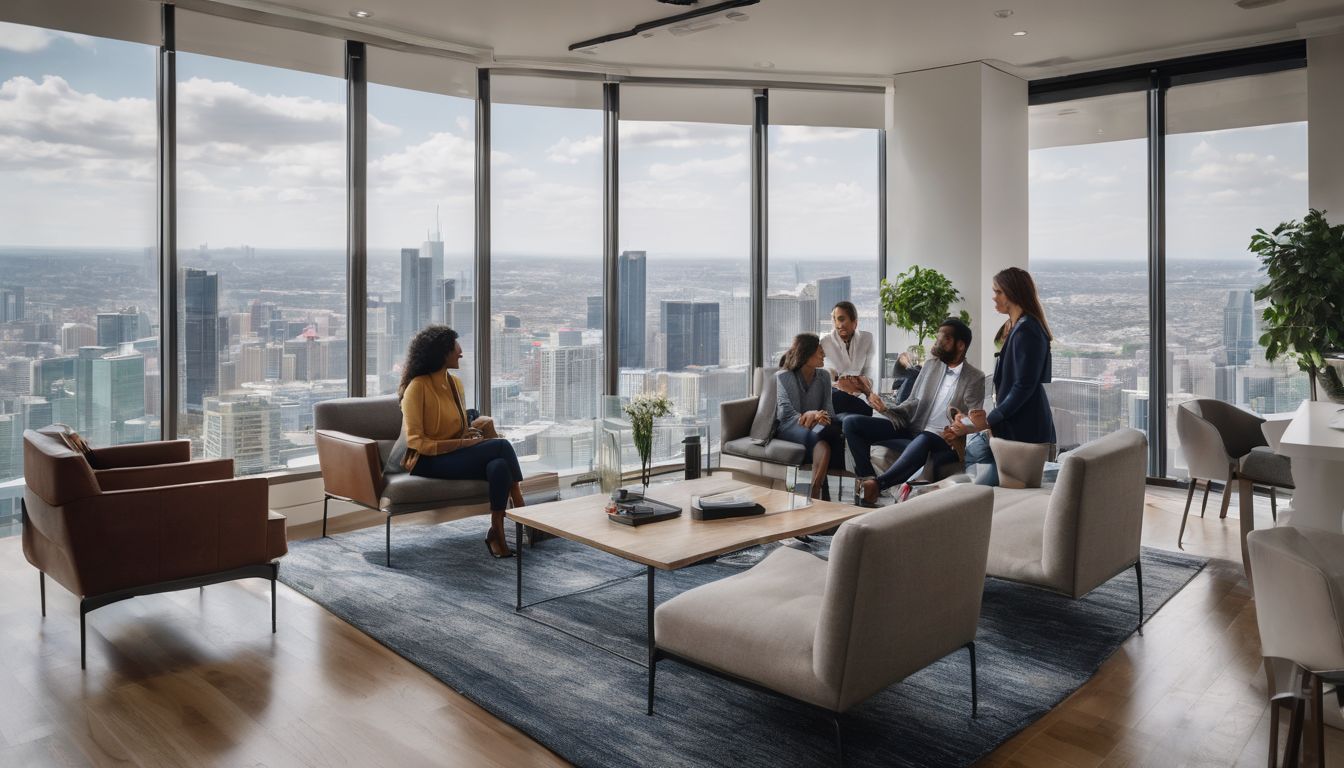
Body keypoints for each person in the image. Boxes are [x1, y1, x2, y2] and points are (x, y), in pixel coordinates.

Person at [399, 325, 524, 559]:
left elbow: (458, 427)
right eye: (456, 347)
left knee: (499, 465)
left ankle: (496, 529)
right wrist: (461, 445)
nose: (461, 352)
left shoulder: (455, 383)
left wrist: (467, 434)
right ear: (442, 352)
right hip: (427, 460)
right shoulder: (417, 388)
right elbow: (417, 442)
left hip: (455, 455)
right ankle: (523, 508)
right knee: (502, 446)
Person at [844, 318, 985, 506]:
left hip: (944, 439)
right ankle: (867, 479)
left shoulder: (974, 377)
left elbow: (974, 419)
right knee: (851, 423)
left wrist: (962, 425)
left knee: (925, 437)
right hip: (914, 427)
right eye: (938, 337)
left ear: (960, 346)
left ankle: (877, 485)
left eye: (945, 339)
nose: (937, 342)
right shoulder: (930, 366)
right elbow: (912, 402)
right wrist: (886, 408)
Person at [944, 267, 1055, 486]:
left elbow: (1024, 385)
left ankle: (982, 502)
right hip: (1014, 422)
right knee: (976, 449)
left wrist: (989, 420)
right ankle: (983, 500)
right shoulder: (1015, 327)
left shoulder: (1027, 330)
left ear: (1013, 293)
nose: (994, 297)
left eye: (998, 292)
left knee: (977, 451)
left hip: (1025, 427)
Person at [776, 333, 844, 499]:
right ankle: (817, 493)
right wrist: (810, 415)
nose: (824, 354)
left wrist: (821, 417)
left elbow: (829, 410)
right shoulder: (784, 377)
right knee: (822, 442)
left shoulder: (824, 377)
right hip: (790, 427)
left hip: (816, 426)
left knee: (835, 432)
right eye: (820, 350)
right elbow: (785, 413)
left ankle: (831, 495)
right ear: (806, 354)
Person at [819, 301, 876, 417]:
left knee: (864, 411)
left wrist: (858, 383)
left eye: (841, 319)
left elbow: (870, 372)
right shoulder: (825, 342)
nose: (838, 325)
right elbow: (824, 373)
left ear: (854, 322)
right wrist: (838, 381)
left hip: (861, 394)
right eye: (835, 320)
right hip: (835, 392)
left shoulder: (867, 338)